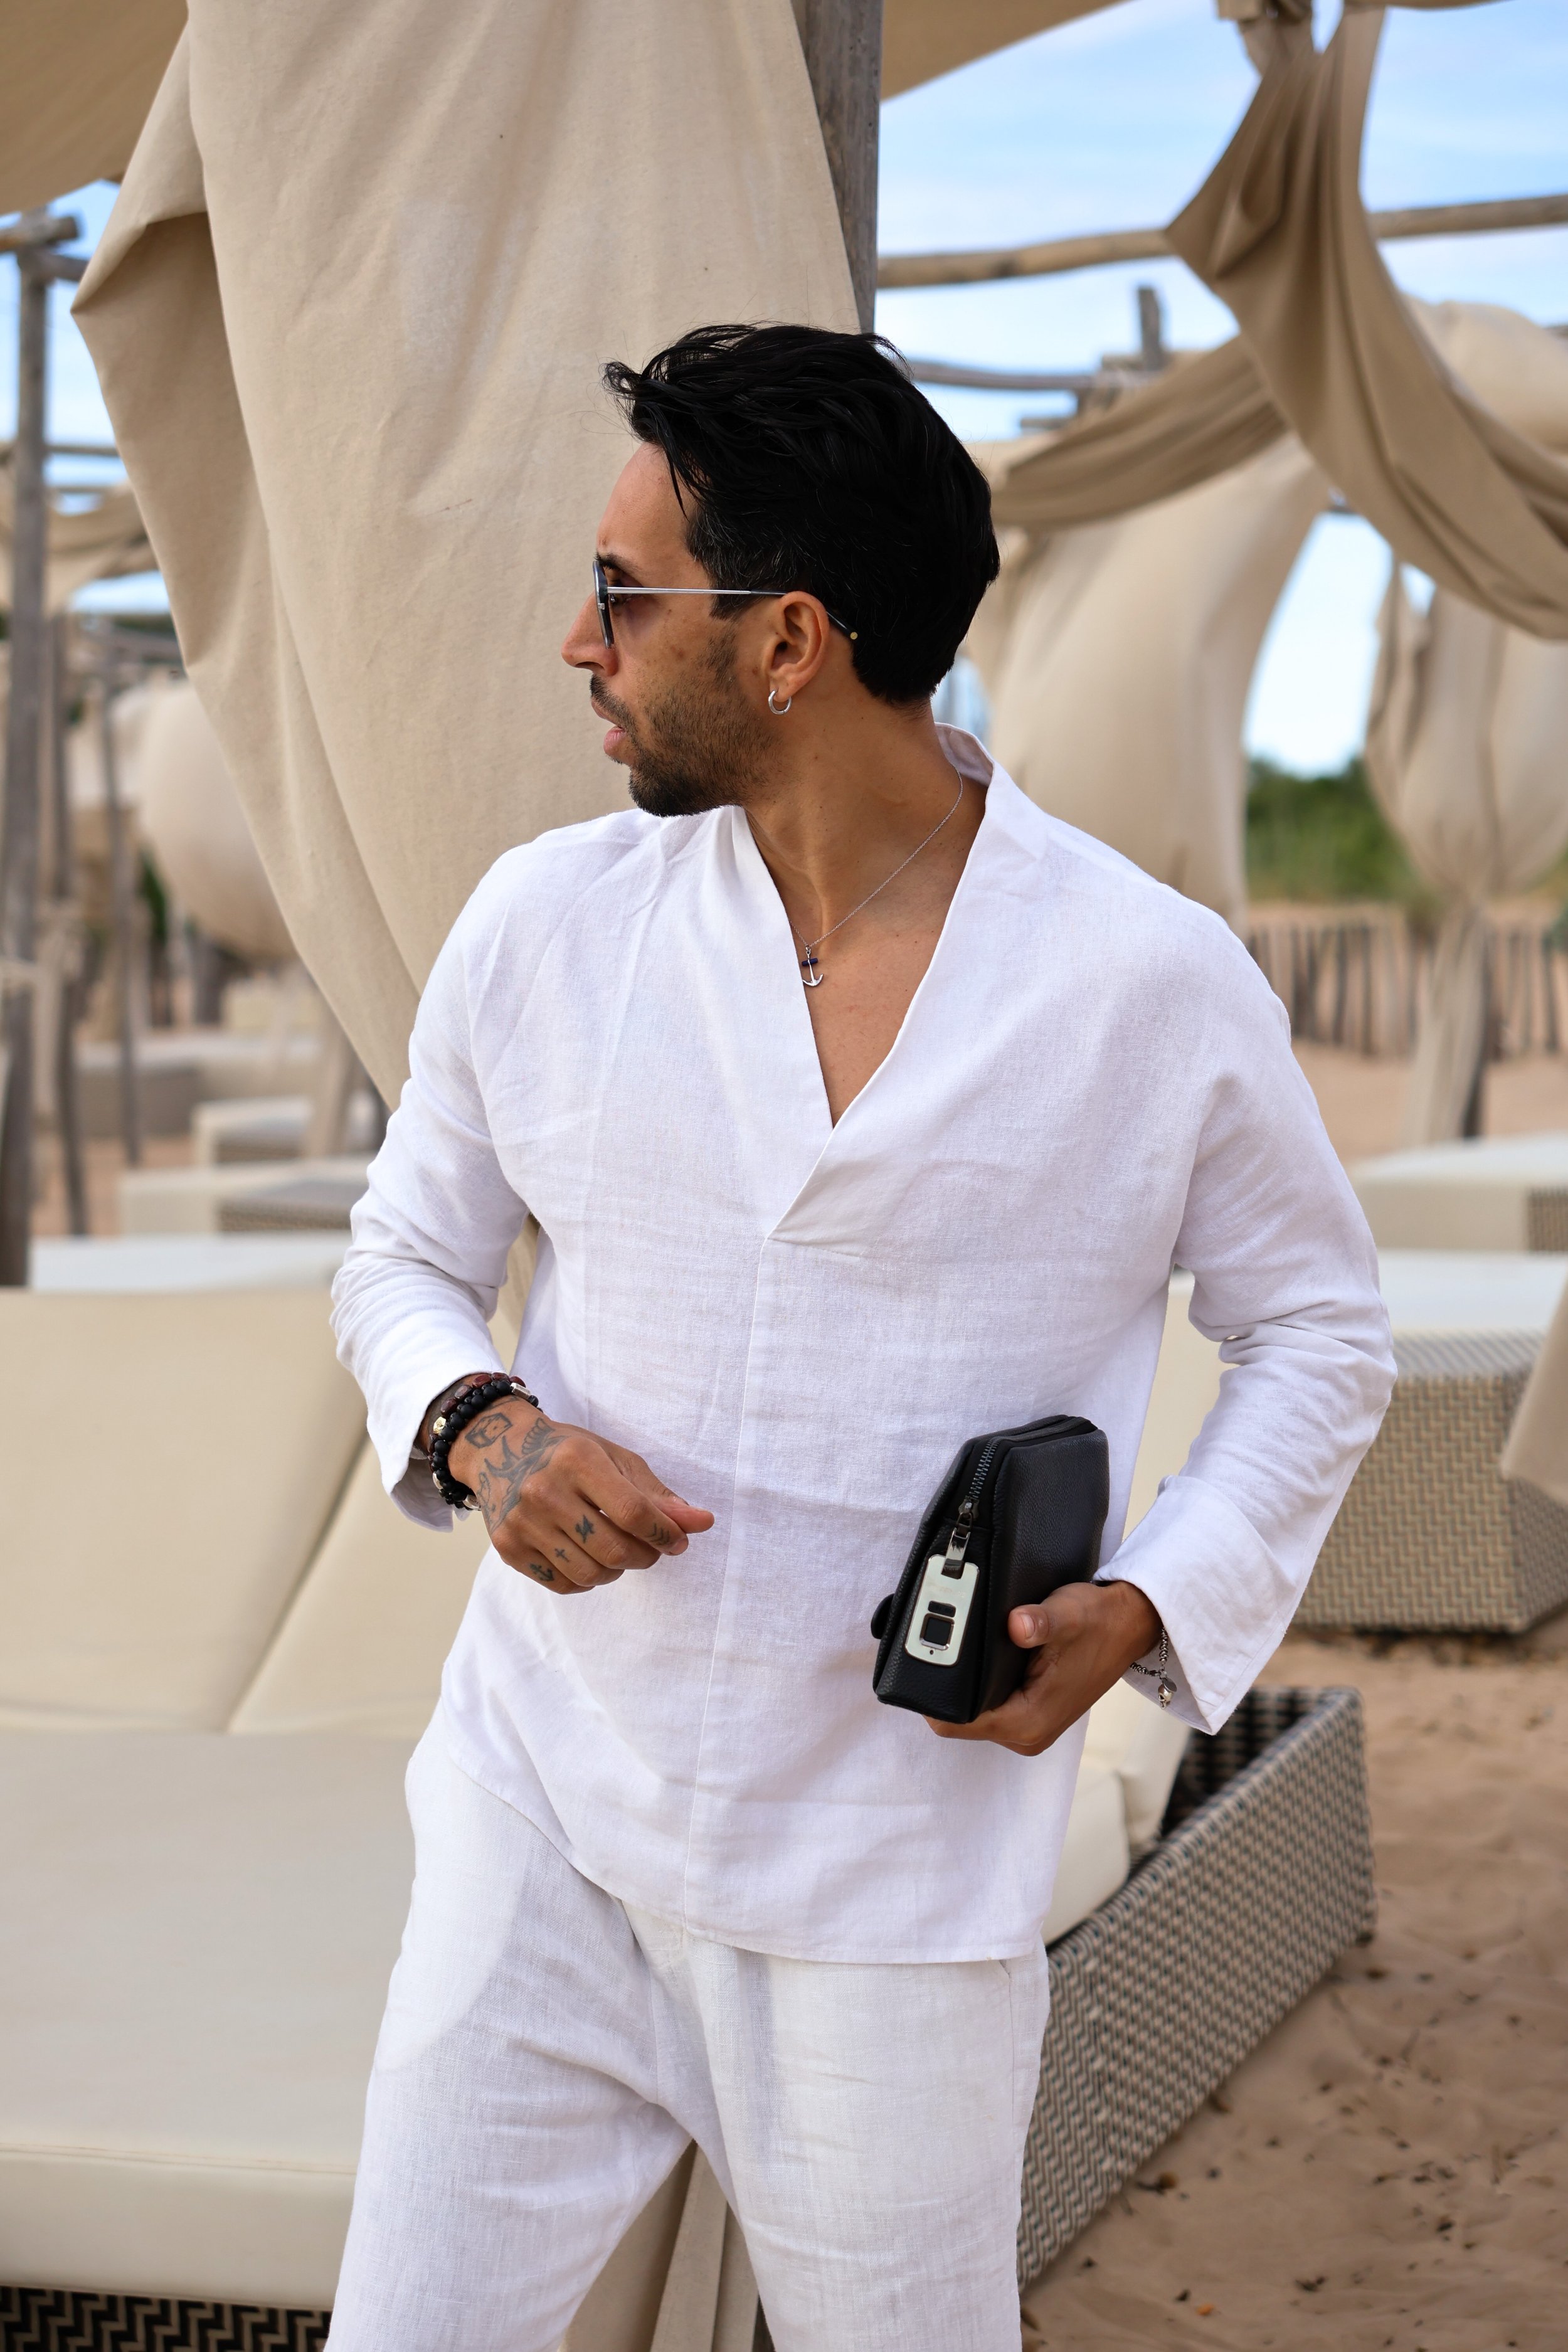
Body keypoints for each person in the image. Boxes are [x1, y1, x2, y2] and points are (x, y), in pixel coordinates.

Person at [326, 322, 1394, 2352]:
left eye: (627, 594)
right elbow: (401, 1255)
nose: (580, 641)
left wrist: (1152, 1603)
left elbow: (1317, 1331)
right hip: (538, 1824)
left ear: (790, 641)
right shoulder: (542, 929)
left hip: (894, 1895)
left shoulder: (1142, 988)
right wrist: (475, 1423)